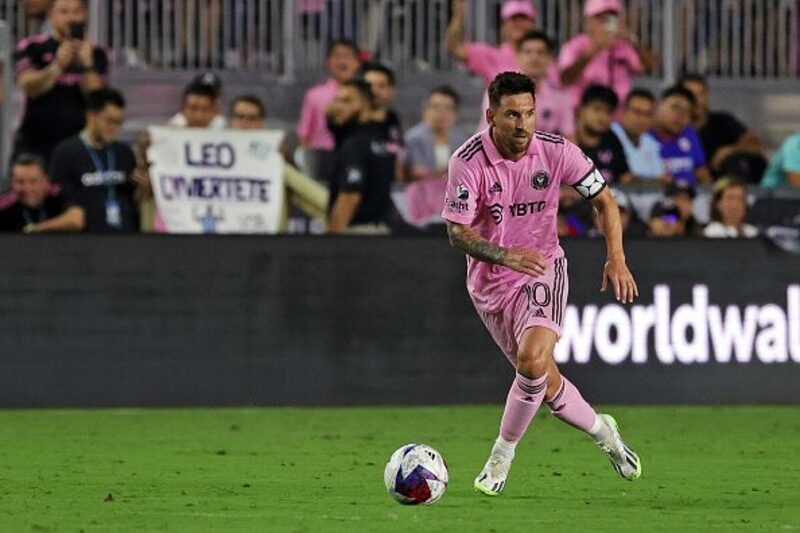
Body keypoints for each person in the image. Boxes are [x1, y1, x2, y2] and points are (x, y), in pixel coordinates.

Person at [442, 72, 641, 496]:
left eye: (529, 113)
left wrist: (616, 257)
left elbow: (605, 201)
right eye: (512, 115)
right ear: (491, 115)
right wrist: (503, 254)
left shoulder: (556, 151)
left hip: (541, 268)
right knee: (545, 383)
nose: (522, 124)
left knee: (531, 361)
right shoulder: (468, 159)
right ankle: (605, 434)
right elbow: (457, 232)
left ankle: (500, 457)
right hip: (489, 283)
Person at [13, 0, 109, 164]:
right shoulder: (32, 46)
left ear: (85, 15)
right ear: (51, 15)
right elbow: (29, 86)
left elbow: (97, 99)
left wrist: (87, 64)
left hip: (79, 143)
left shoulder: (97, 53)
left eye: (77, 11)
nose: (71, 17)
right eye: (64, 12)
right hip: (37, 142)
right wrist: (57, 66)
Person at [228, 94, 329, 232]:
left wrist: (278, 160)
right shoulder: (214, 155)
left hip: (268, 236)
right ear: (230, 121)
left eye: (252, 118)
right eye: (240, 117)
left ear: (261, 123)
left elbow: (313, 197)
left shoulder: (271, 154)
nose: (245, 124)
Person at [49, 88, 138, 233]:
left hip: (124, 237)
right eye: (109, 121)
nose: (114, 128)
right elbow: (60, 198)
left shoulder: (124, 153)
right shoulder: (66, 152)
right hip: (86, 241)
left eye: (119, 122)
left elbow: (133, 197)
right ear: (91, 116)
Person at [328, 81, 396, 235]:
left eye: (346, 101)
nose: (338, 107)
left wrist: (331, 245)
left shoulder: (355, 144)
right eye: (337, 100)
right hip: (381, 231)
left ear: (365, 104)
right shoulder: (379, 140)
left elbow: (350, 197)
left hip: (356, 235)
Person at [558, 0, 655, 109]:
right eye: (600, 18)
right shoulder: (574, 46)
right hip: (583, 114)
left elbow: (649, 67)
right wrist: (592, 52)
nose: (605, 23)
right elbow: (564, 79)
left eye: (611, 19)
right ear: (588, 20)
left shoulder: (623, 46)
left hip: (618, 115)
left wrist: (633, 42)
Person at [479, 30, 574, 137]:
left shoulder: (560, 95)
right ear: (518, 57)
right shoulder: (498, 90)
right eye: (528, 52)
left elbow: (570, 138)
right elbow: (496, 133)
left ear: (549, 59)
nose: (534, 58)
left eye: (540, 52)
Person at [680, 73, 766, 183]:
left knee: (735, 161)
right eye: (691, 95)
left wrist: (728, 151)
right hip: (688, 188)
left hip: (724, 187)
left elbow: (755, 145)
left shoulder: (723, 121)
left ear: (707, 96)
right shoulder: (674, 129)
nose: (697, 101)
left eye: (701, 94)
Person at [403, 86, 469, 227]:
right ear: (425, 111)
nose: (441, 113)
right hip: (422, 198)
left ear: (455, 114)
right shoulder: (413, 138)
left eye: (448, 108)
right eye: (435, 107)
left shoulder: (462, 140)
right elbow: (417, 172)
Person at [296, 39, 362, 178]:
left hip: (358, 159)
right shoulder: (314, 95)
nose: (342, 61)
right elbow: (304, 134)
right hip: (323, 159)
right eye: (336, 56)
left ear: (357, 62)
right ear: (328, 62)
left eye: (347, 56)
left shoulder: (366, 96)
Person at [446, 0, 537, 87]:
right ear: (504, 25)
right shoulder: (491, 55)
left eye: (524, 19)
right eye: (514, 20)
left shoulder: (544, 59)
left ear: (533, 24)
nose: (519, 24)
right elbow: (453, 46)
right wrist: (458, 13)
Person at [0, 153, 82, 233]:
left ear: (45, 181)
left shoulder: (58, 194)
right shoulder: (5, 204)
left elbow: (76, 220)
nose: (27, 188)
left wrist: (37, 229)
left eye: (33, 181)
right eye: (20, 182)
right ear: (12, 183)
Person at [650, 86, 712, 187]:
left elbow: (701, 173)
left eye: (687, 111)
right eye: (675, 107)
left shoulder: (689, 134)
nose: (680, 115)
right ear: (658, 105)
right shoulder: (644, 136)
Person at [575, 85, 632, 184]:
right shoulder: (566, 140)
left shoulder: (612, 139)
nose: (603, 117)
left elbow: (625, 176)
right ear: (581, 109)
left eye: (608, 112)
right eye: (597, 109)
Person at [611, 88, 665, 181]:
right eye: (637, 112)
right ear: (623, 111)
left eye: (647, 114)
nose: (642, 119)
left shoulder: (650, 142)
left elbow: (661, 179)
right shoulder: (609, 135)